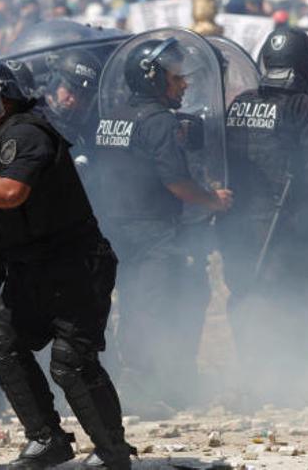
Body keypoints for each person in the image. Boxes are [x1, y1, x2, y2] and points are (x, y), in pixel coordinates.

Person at [0, 61, 135, 469]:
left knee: (71, 362)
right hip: (28, 267)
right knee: (1, 342)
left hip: (74, 265)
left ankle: (113, 453)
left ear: (7, 97)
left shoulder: (28, 131)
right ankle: (47, 438)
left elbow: (12, 191)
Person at [92, 37, 232, 417]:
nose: (184, 84)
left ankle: (145, 386)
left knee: (133, 305)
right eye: (176, 78)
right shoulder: (159, 122)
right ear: (153, 79)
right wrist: (212, 198)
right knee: (154, 308)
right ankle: (142, 393)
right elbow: (176, 183)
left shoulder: (112, 117)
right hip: (154, 229)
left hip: (117, 228)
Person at [216, 27, 308, 409]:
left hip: (237, 225)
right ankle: (288, 383)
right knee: (290, 301)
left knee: (245, 297)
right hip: (285, 227)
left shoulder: (242, 102)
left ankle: (251, 376)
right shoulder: (300, 106)